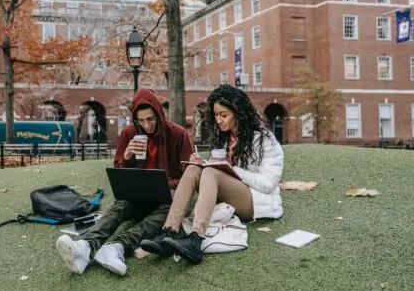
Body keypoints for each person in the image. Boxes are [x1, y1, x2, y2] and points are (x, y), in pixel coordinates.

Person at [56, 88, 193, 276]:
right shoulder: (129, 132)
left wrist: (166, 184)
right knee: (122, 203)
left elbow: (189, 177)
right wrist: (127, 156)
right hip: (138, 197)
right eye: (141, 120)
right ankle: (86, 246)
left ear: (160, 114)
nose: (147, 125)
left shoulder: (178, 134)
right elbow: (120, 173)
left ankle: (116, 247)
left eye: (151, 119)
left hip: (166, 199)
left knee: (170, 209)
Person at [140, 84, 284, 264]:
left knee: (211, 172)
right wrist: (204, 163)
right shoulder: (226, 137)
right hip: (230, 195)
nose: (219, 120)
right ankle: (168, 231)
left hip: (255, 200)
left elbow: (268, 184)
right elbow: (221, 171)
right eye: (216, 115)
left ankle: (196, 238)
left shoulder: (264, 139)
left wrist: (228, 169)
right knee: (194, 168)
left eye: (224, 115)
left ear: (238, 113)